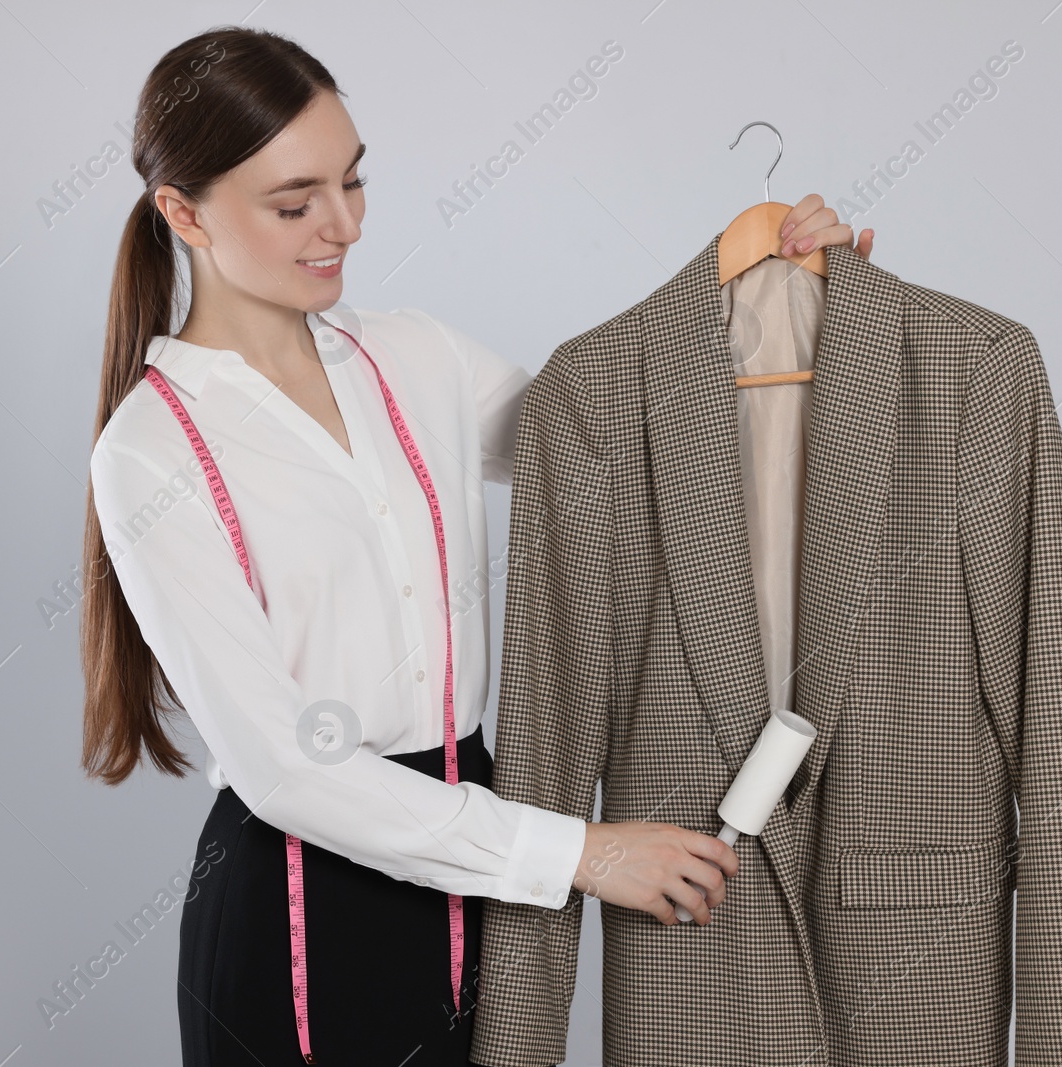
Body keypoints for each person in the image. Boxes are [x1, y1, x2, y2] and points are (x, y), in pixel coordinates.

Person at [78, 25, 873, 1067]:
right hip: (304, 900)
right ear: (182, 213)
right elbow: (284, 769)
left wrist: (776, 292)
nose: (341, 225)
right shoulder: (150, 449)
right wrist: (581, 851)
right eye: (294, 202)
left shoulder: (415, 353)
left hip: (484, 861)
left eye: (352, 183)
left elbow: (623, 443)